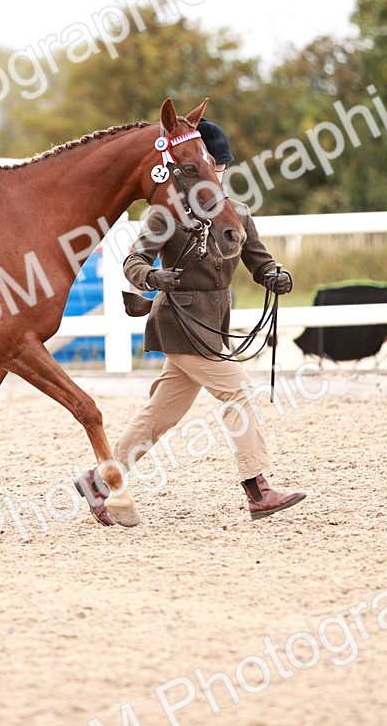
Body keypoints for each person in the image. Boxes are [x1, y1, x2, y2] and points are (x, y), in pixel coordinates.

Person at [75, 120, 307, 526]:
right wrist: (152, 278)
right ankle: (258, 490)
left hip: (212, 323)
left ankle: (98, 481)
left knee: (159, 415)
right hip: (178, 321)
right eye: (212, 166)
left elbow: (259, 259)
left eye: (221, 167)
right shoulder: (165, 215)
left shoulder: (238, 214)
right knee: (239, 392)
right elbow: (134, 262)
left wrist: (274, 275)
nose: (217, 175)